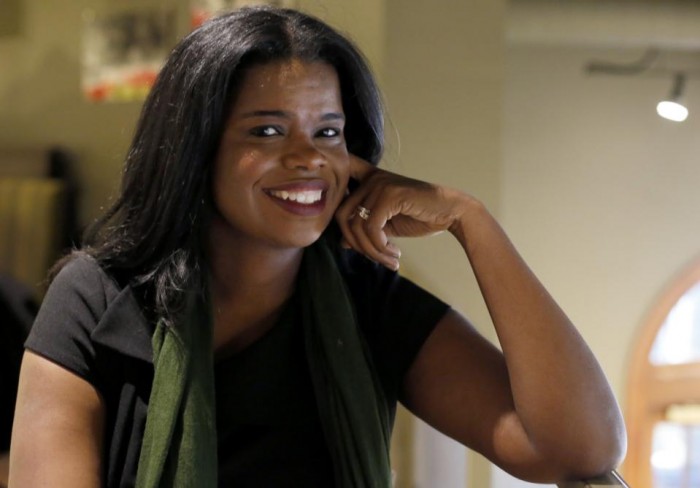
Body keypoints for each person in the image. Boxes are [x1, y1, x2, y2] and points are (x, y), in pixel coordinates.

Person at [9, 6, 626, 488]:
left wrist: (472, 221)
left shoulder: (367, 303)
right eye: (267, 130)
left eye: (328, 131)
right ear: (196, 149)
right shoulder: (97, 300)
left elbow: (577, 449)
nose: (309, 158)